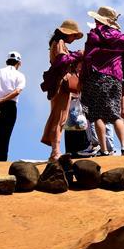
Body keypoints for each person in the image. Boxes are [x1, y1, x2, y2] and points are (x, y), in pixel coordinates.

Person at [80, 7, 124, 156]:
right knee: (115, 113)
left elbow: (87, 59)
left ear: (99, 20)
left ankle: (103, 150)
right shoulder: (122, 38)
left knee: (97, 115)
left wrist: (82, 79)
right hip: (115, 78)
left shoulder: (94, 36)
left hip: (96, 77)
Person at [39, 20, 84, 161]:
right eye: (73, 36)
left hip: (61, 84)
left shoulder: (59, 44)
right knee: (58, 118)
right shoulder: (59, 43)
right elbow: (61, 61)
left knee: (60, 119)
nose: (74, 39)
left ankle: (56, 151)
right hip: (60, 84)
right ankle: (55, 152)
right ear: (67, 33)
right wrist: (78, 55)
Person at [0, 51, 26, 161]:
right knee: (5, 135)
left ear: (7, 61)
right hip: (10, 106)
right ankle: (2, 161)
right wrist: (2, 100)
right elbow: (17, 91)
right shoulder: (20, 75)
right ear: (19, 63)